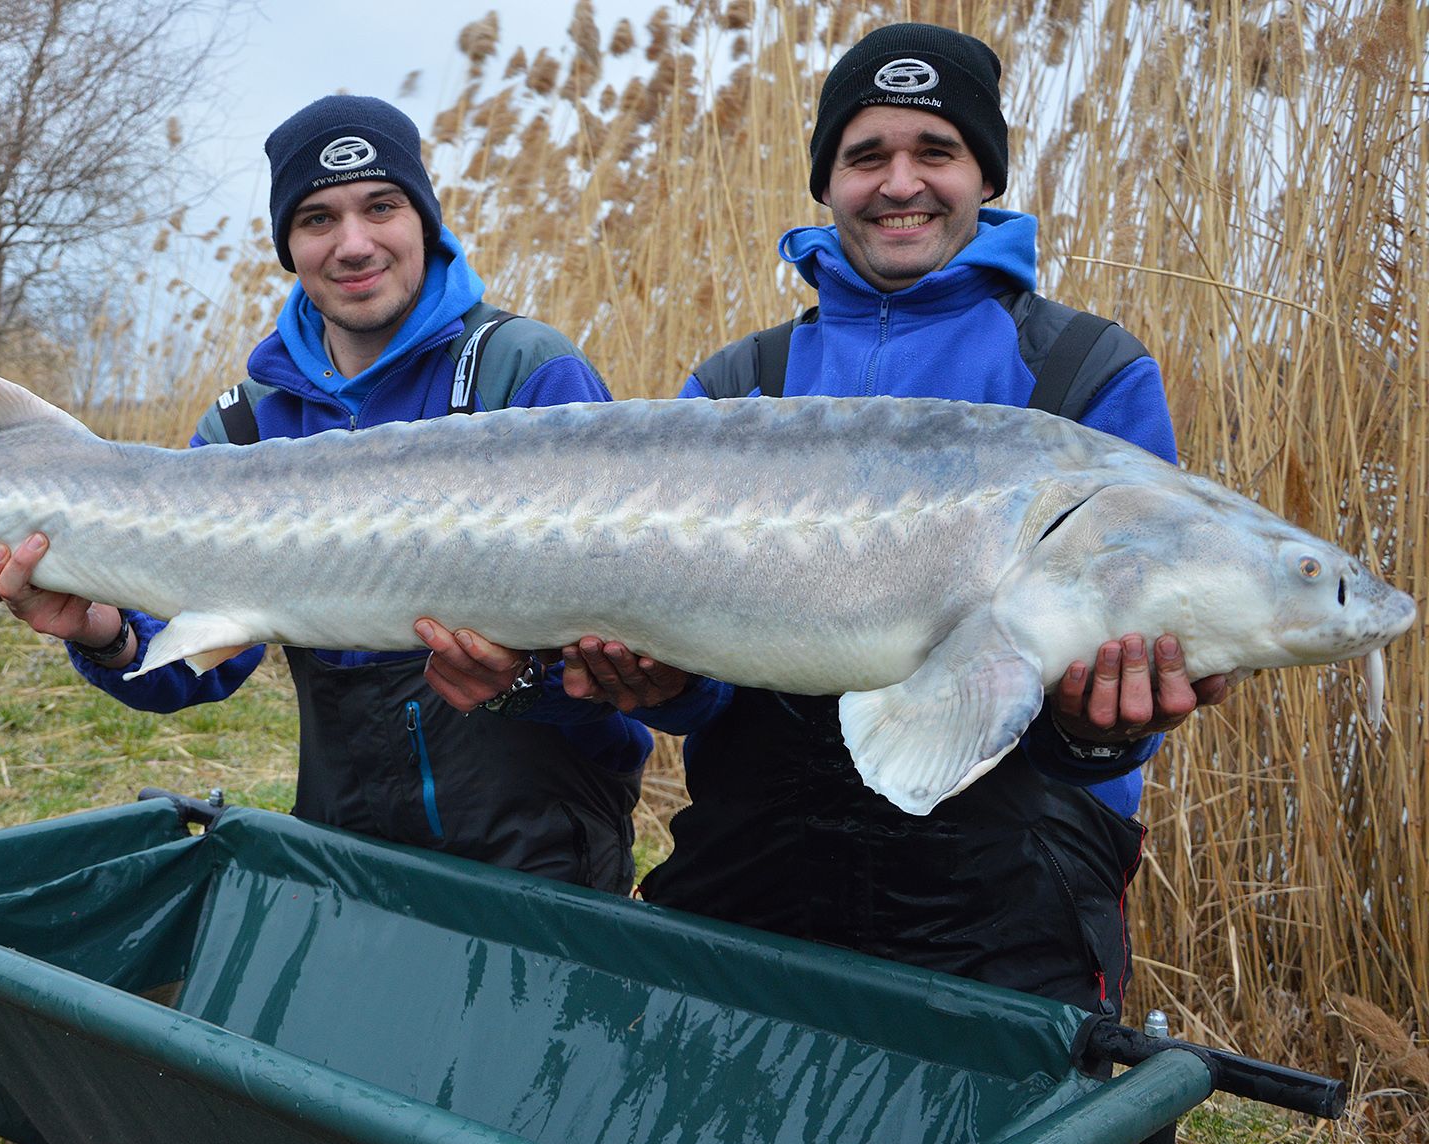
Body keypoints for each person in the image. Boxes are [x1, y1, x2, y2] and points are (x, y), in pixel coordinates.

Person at [429, 24, 1232, 1014]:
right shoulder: (739, 385)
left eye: (935, 152)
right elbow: (704, 689)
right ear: (829, 182)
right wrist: (663, 683)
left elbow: (1118, 692)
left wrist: (1098, 732)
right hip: (759, 849)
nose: (901, 183)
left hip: (1006, 882)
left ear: (984, 175)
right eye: (867, 157)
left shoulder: (1084, 374)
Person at [0, 95, 649, 894]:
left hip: (541, 841)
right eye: (318, 219)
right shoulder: (247, 425)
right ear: (289, 245)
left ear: (424, 221)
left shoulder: (527, 372)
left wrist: (524, 682)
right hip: (345, 838)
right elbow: (194, 662)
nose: (354, 244)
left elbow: (625, 625)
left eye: (381, 207)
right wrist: (101, 630)